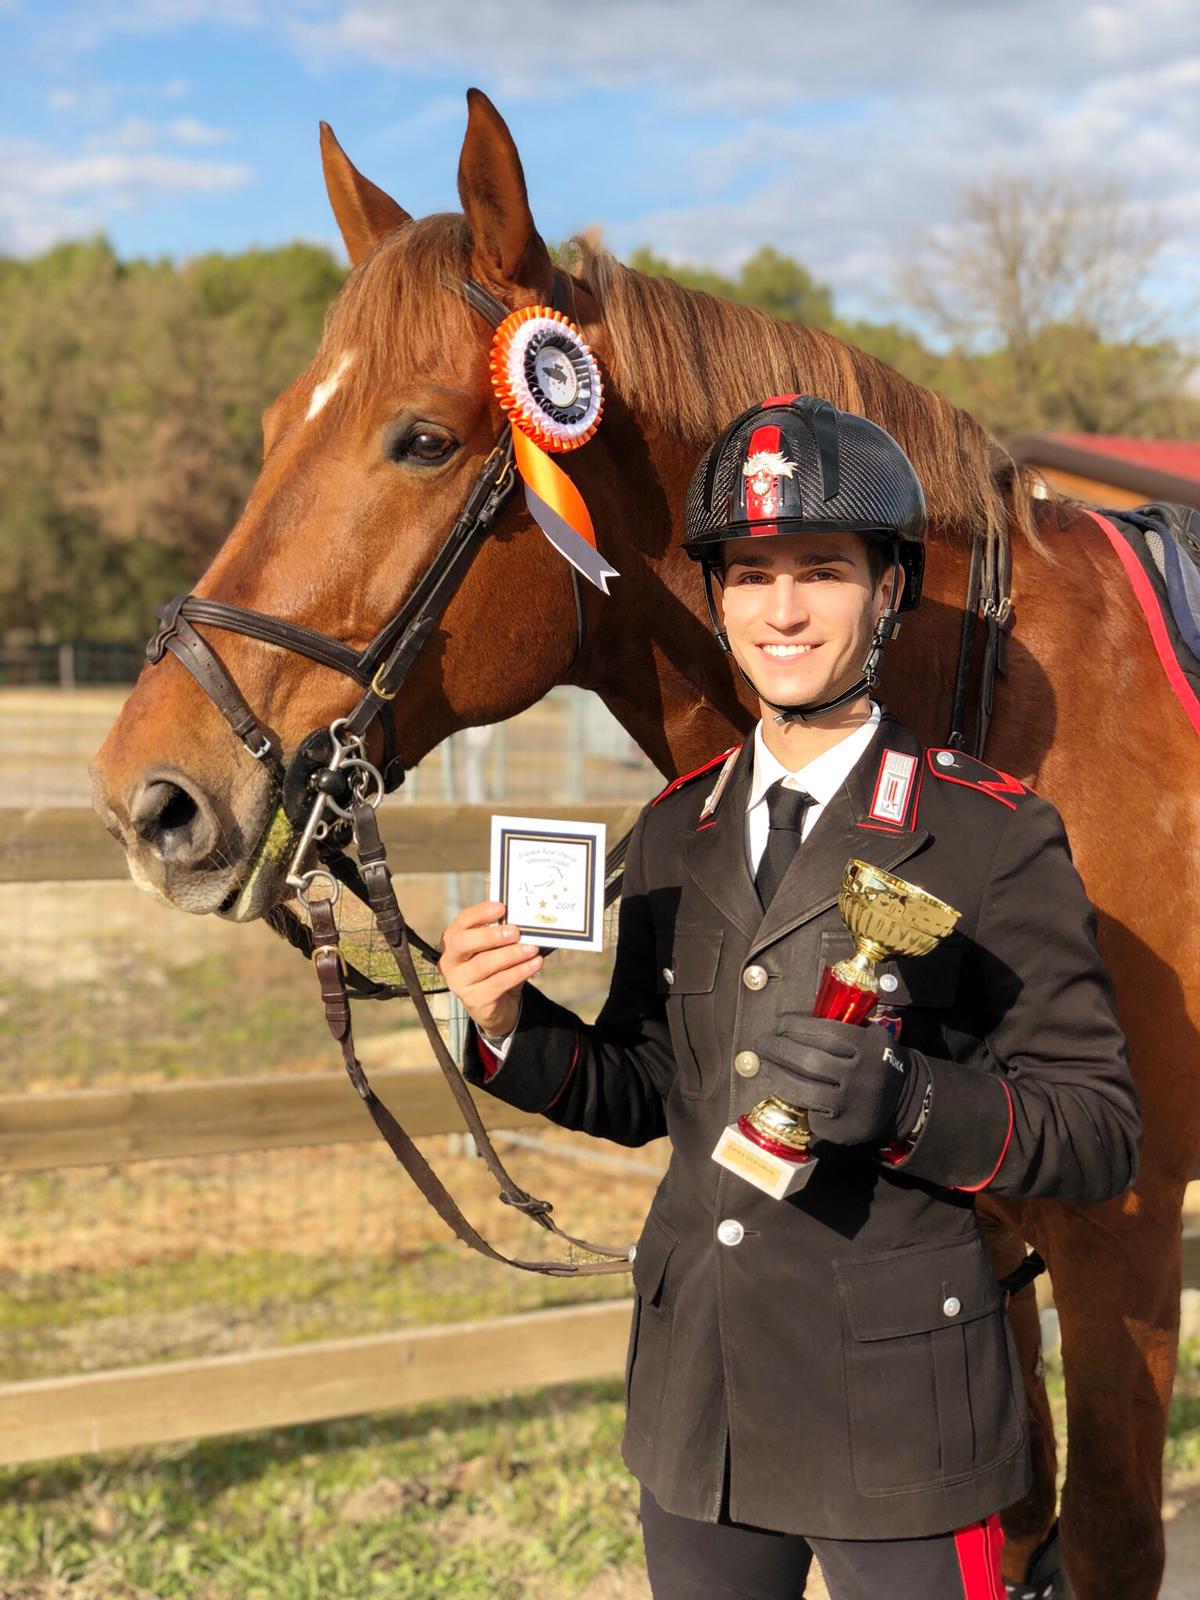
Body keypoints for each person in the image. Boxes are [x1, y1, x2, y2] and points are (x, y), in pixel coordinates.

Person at [438, 395, 1140, 1600]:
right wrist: (506, 1027)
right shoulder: (673, 829)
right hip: (696, 1409)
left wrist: (910, 1102)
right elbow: (652, 1085)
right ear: (715, 598)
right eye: (750, 573)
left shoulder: (991, 833)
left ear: (889, 592)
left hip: (903, 1420)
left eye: (821, 569)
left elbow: (1098, 1128)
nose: (783, 609)